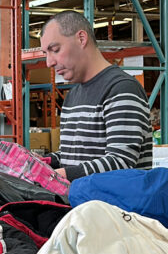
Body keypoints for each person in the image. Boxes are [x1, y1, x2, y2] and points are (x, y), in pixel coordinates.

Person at [39, 10, 151, 180]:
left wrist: (56, 176)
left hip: (113, 206)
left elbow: (121, 162)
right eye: (45, 54)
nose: (49, 62)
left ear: (81, 39)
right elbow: (73, 156)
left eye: (55, 49)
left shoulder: (121, 89)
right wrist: (44, 162)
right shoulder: (72, 96)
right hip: (82, 203)